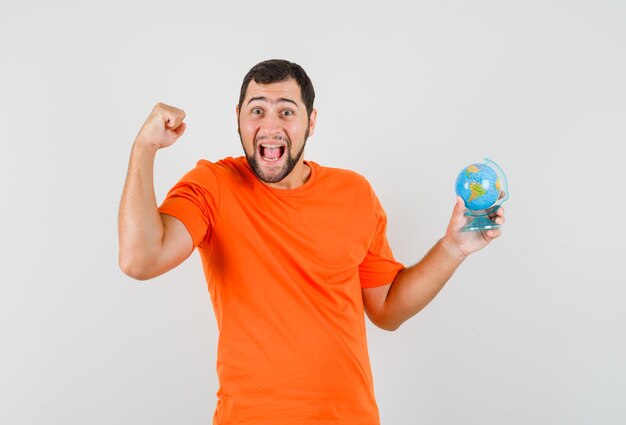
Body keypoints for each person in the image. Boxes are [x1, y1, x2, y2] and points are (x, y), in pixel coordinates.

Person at [118, 59, 505, 425]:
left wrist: (453, 248)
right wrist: (144, 147)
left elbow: (387, 309)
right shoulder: (212, 186)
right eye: (257, 111)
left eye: (286, 111)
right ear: (237, 117)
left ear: (311, 122)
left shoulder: (355, 192)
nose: (270, 125)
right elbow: (140, 259)